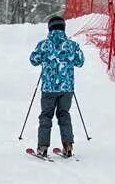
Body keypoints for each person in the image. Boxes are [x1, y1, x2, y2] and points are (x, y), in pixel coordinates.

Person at [28, 16, 86, 158]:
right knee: (64, 115)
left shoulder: (44, 45)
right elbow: (80, 62)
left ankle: (42, 147)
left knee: (46, 116)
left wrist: (44, 58)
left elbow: (33, 60)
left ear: (50, 28)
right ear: (63, 28)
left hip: (48, 88)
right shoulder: (72, 45)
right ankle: (68, 146)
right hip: (67, 89)